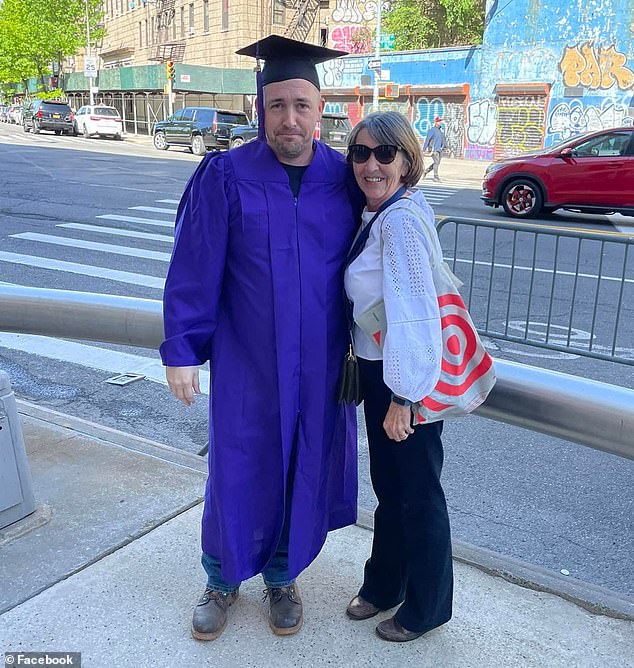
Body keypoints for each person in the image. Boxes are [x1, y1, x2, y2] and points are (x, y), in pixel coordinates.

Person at [160, 35, 363, 641]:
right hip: (247, 360)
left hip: (321, 363)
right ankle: (221, 579)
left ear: (320, 107)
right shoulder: (226, 175)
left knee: (303, 463)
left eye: (302, 103)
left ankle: (281, 575)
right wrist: (181, 350)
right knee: (237, 464)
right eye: (278, 105)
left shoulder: (345, 179)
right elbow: (195, 266)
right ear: (259, 109)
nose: (290, 118)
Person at [343, 111, 453, 642]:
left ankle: (426, 606)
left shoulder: (402, 220)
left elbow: (415, 312)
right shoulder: (381, 214)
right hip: (378, 368)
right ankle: (386, 583)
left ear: (408, 161)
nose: (371, 164)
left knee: (417, 492)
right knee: (392, 488)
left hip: (401, 376)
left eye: (385, 154)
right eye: (360, 153)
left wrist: (404, 397)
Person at [423, 116, 447, 181]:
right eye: (439, 121)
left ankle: (426, 171)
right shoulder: (432, 130)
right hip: (434, 150)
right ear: (436, 122)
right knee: (436, 163)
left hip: (440, 150)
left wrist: (445, 147)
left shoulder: (440, 131)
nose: (440, 122)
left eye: (440, 121)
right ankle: (436, 177)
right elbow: (427, 139)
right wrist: (424, 149)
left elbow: (443, 139)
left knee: (437, 163)